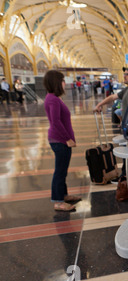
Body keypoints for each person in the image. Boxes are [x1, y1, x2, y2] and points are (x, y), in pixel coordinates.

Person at [43, 70, 81, 211]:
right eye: (63, 80)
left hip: (60, 140)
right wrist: (68, 139)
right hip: (59, 141)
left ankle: (63, 195)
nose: (65, 83)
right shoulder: (52, 99)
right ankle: (58, 202)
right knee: (59, 171)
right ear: (57, 82)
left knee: (62, 170)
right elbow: (56, 122)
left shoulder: (53, 98)